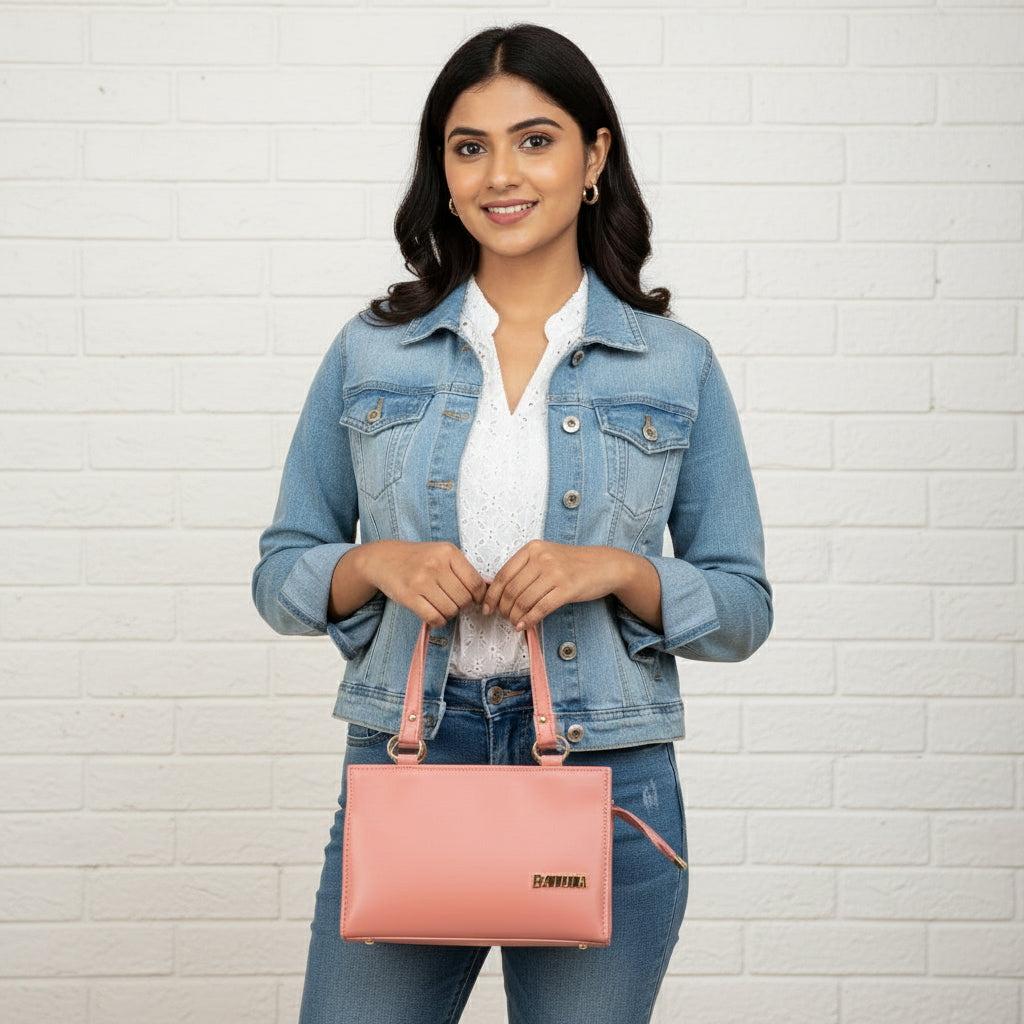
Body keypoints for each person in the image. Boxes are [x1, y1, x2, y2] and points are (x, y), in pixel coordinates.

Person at [252, 23, 772, 1024]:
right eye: (467, 145)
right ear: (441, 172)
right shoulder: (373, 353)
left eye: (535, 139)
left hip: (609, 779)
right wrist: (373, 563)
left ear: (594, 157)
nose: (501, 172)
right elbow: (281, 571)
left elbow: (743, 607)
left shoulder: (675, 364)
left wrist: (619, 570)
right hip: (412, 761)